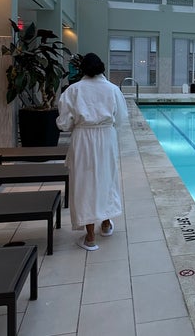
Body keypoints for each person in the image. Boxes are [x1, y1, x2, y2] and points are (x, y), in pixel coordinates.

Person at [56, 53, 128, 251]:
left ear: (83, 70)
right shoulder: (112, 89)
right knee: (106, 178)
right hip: (106, 137)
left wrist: (78, 123)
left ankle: (90, 237)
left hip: (83, 139)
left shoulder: (73, 90)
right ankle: (105, 224)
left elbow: (63, 123)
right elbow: (121, 118)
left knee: (84, 183)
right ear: (101, 68)